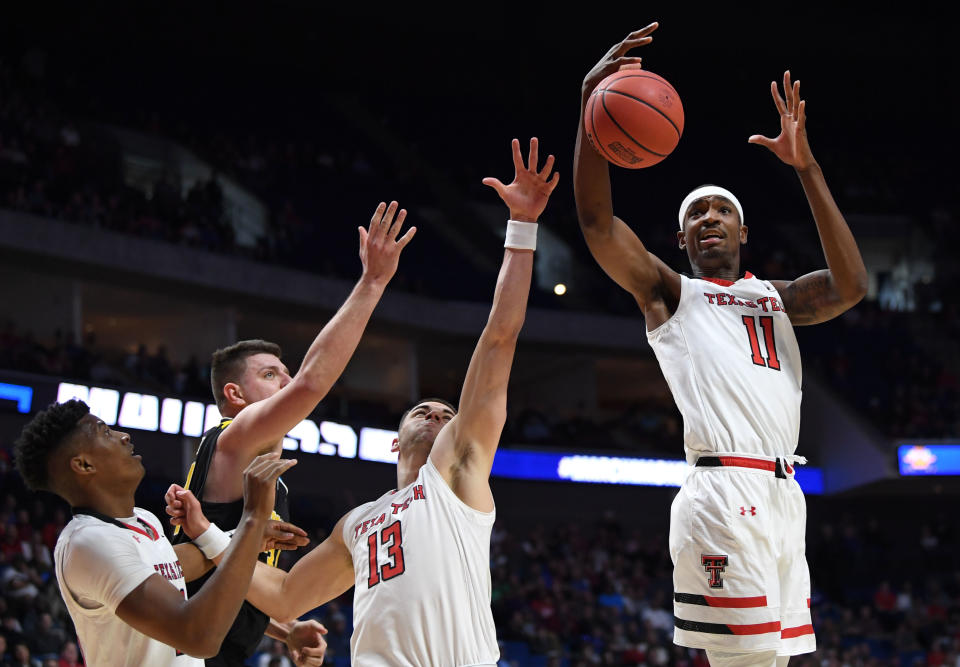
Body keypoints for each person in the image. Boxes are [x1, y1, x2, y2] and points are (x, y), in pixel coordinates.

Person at [167, 138, 559, 666]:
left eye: (447, 414)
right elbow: (285, 596)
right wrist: (210, 536)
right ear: (395, 440)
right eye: (424, 409)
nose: (437, 414)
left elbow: (498, 339)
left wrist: (521, 230)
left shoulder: (457, 479)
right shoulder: (358, 521)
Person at [573, 24, 868, 667]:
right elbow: (597, 223)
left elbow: (852, 284)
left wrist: (807, 167)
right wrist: (592, 111)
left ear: (742, 229)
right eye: (695, 215)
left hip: (785, 495)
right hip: (722, 488)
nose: (708, 218)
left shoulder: (780, 297)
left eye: (720, 210)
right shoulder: (670, 294)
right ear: (681, 240)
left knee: (774, 662)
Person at [173, 200, 415, 666]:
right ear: (235, 394)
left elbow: (219, 572)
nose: (284, 381)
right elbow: (312, 382)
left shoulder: (260, 466)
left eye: (283, 373)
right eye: (269, 375)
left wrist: (279, 629)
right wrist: (372, 282)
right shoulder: (234, 434)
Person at [11, 399, 323, 666]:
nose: (123, 436)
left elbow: (181, 566)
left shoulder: (142, 521)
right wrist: (252, 521)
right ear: (83, 464)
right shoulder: (89, 541)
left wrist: (285, 628)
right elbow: (198, 637)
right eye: (106, 432)